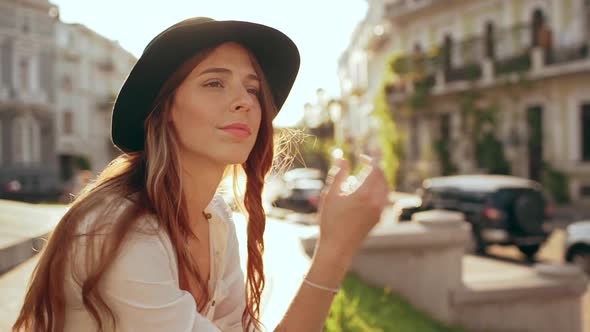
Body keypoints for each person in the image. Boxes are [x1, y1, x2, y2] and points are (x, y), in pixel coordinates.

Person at [12, 17, 390, 332]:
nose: (245, 100)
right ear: (163, 111)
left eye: (253, 88)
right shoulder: (122, 232)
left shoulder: (215, 219)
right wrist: (334, 252)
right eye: (214, 82)